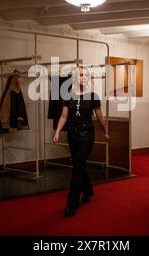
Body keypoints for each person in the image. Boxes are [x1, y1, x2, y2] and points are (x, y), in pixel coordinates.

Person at [53, 67, 110, 216]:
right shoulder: (68, 96)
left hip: (86, 136)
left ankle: (72, 204)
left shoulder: (93, 96)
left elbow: (100, 117)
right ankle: (89, 190)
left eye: (86, 75)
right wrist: (58, 132)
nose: (83, 78)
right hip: (72, 135)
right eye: (81, 75)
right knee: (79, 165)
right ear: (76, 78)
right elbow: (64, 117)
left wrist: (105, 131)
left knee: (77, 167)